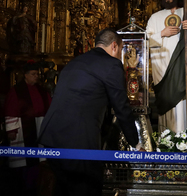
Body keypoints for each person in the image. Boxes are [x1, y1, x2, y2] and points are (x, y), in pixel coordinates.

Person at [38, 28, 144, 196]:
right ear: (114, 46)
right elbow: (121, 107)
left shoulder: (75, 62)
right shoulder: (111, 64)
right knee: (87, 189)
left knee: (64, 188)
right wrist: (136, 143)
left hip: (52, 137)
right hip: (78, 142)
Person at [146, 0, 187, 133]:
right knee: (169, 120)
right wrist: (162, 34)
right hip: (164, 75)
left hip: (185, 74)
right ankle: (168, 146)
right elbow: (144, 42)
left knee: (185, 109)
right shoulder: (155, 18)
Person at [3, 60, 51, 196]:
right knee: (22, 164)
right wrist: (11, 130)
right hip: (21, 129)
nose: (36, 76)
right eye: (33, 74)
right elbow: (10, 109)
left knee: (37, 164)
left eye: (37, 74)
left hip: (39, 127)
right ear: (25, 75)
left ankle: (35, 188)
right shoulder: (16, 91)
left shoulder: (42, 91)